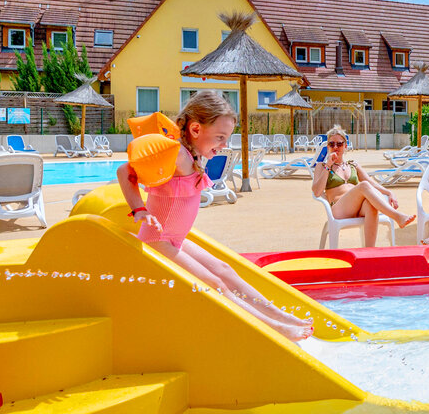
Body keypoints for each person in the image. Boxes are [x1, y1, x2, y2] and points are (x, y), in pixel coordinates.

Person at [117, 90, 313, 341]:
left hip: (176, 239)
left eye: (226, 138)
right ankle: (274, 328)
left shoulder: (195, 154)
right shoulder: (176, 152)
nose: (224, 145)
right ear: (196, 130)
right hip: (158, 240)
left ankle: (281, 315)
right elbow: (125, 171)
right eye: (220, 137)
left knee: (225, 270)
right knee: (214, 282)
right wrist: (139, 209)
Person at [312, 124, 415, 246]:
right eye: (331, 144)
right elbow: (317, 192)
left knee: (371, 206)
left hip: (357, 207)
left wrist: (389, 192)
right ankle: (397, 216)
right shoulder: (322, 166)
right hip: (339, 209)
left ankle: (369, 253)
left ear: (345, 146)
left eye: (339, 144)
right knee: (363, 186)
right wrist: (328, 165)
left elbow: (372, 183)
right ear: (328, 147)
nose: (335, 147)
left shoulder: (353, 165)